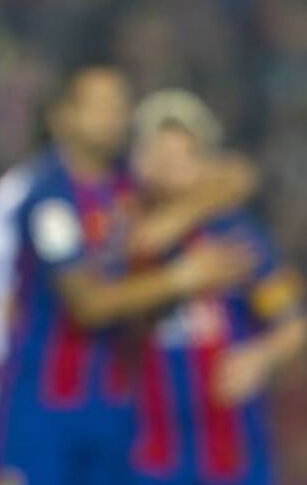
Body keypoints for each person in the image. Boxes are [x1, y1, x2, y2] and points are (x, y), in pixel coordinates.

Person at [0, 67, 259, 485]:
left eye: (120, 104)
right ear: (63, 117)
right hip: (44, 409)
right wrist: (182, 277)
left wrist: (168, 224)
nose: (113, 115)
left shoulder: (131, 186)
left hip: (117, 408)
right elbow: (89, 305)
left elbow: (238, 176)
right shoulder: (48, 198)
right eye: (99, 105)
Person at [128, 89, 305, 485]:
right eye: (160, 153)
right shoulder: (119, 228)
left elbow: (293, 324)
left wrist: (259, 358)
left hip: (233, 447)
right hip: (144, 449)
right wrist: (181, 276)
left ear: (205, 163)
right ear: (139, 159)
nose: (170, 166)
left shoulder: (238, 233)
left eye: (183, 155)